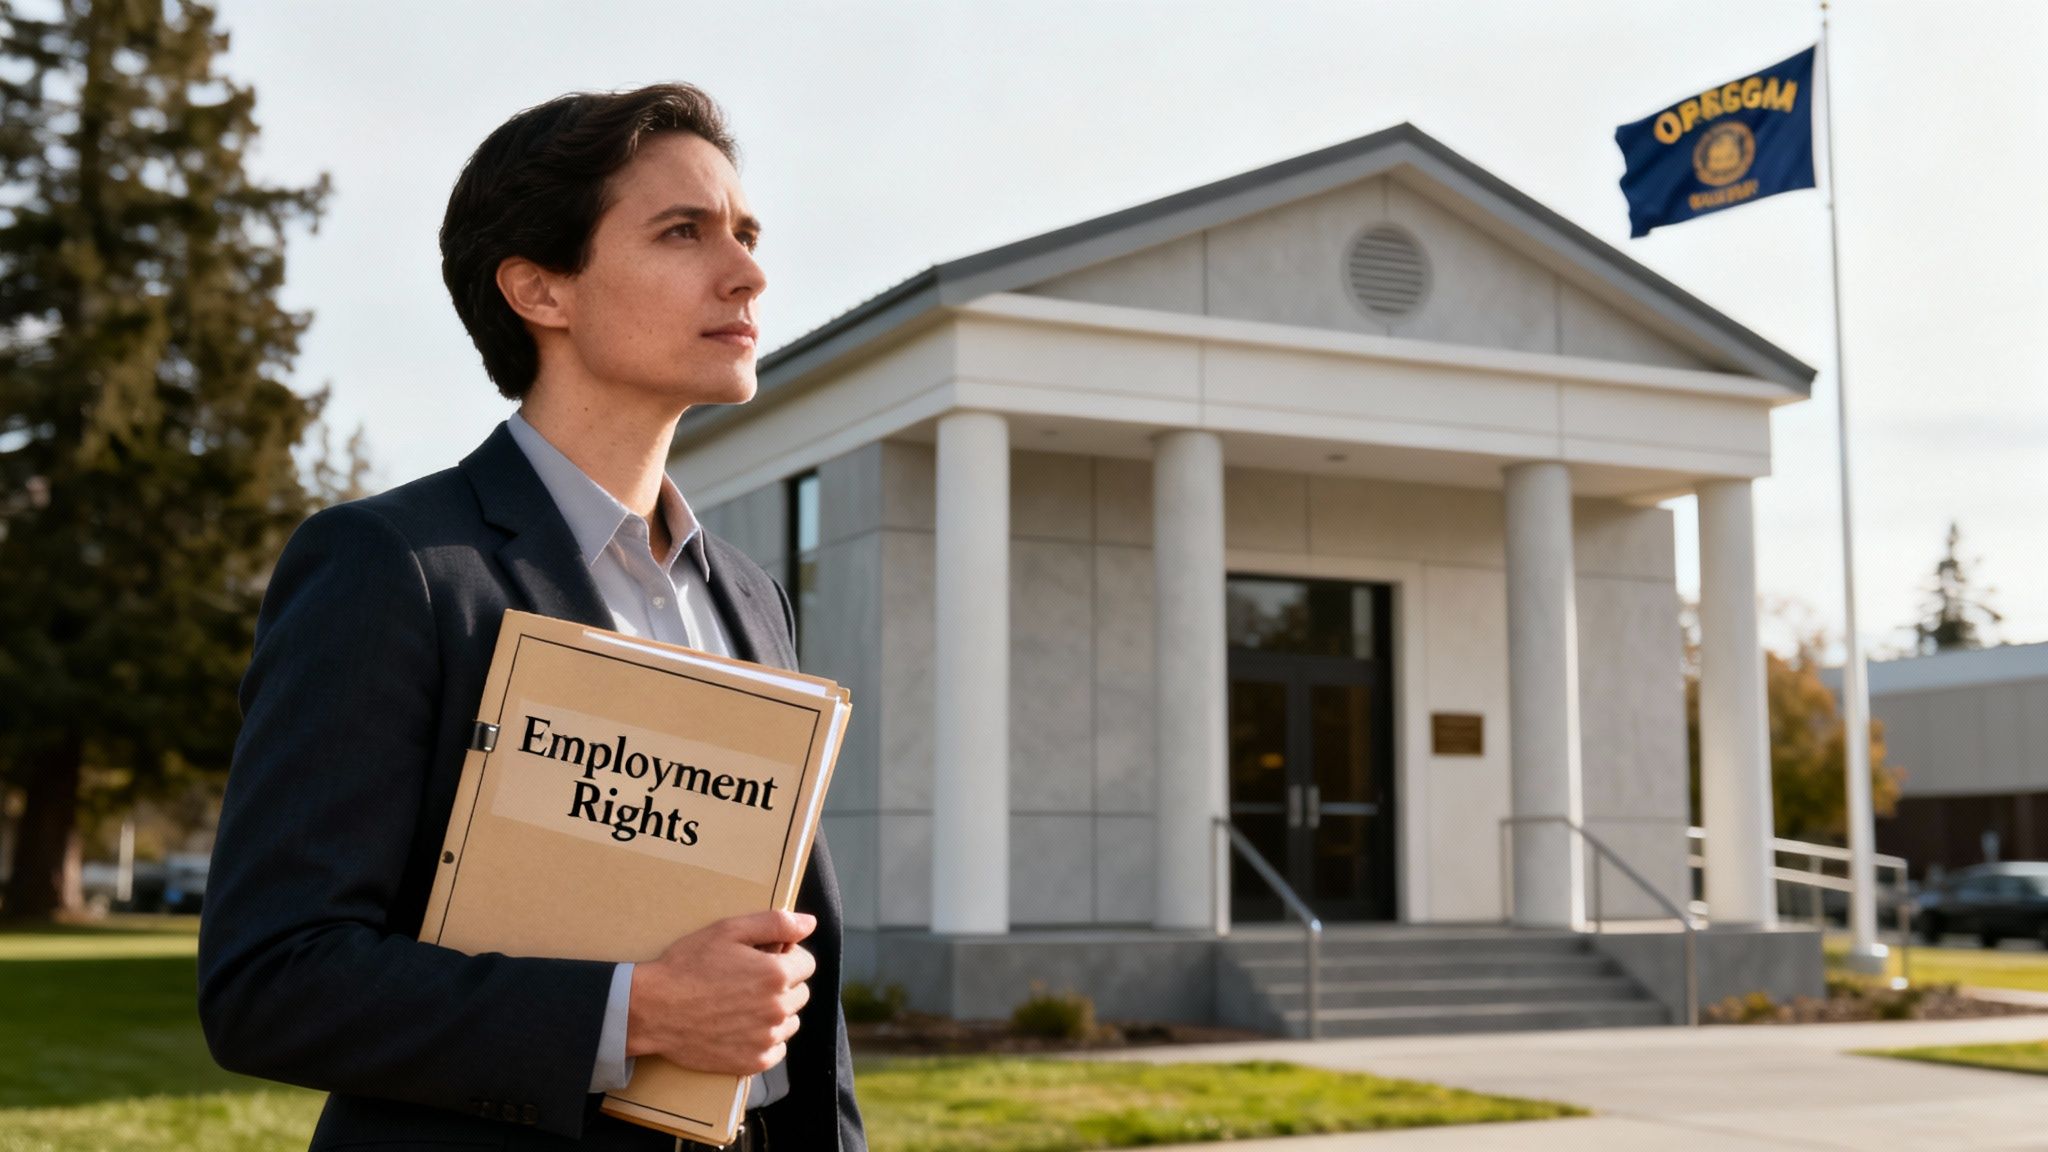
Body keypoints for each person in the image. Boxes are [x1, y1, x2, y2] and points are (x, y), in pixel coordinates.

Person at [197, 83, 865, 1152]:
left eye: (744, 233)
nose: (748, 272)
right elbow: (272, 981)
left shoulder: (749, 596)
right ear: (539, 289)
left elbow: (796, 990)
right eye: (682, 232)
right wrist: (634, 1011)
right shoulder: (394, 568)